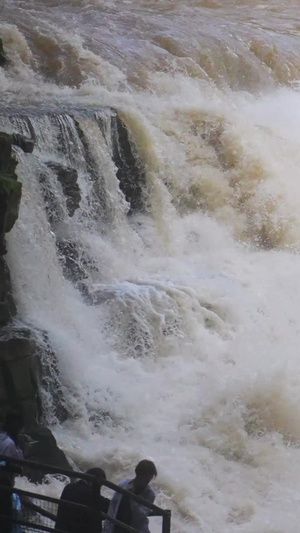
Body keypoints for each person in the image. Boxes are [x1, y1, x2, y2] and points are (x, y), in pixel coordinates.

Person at [104, 460, 157, 533]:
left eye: (149, 479)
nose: (147, 481)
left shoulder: (149, 494)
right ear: (138, 474)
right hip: (117, 527)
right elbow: (113, 507)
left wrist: (132, 499)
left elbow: (141, 516)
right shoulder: (124, 484)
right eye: (146, 478)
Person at [55, 467, 110, 533]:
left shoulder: (69, 487)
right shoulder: (90, 494)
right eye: (100, 485)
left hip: (61, 529)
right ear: (96, 482)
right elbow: (107, 506)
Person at [0, 407, 24, 533]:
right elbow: (6, 463)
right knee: (5, 520)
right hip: (4, 485)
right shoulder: (9, 443)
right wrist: (16, 468)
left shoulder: (2, 437)